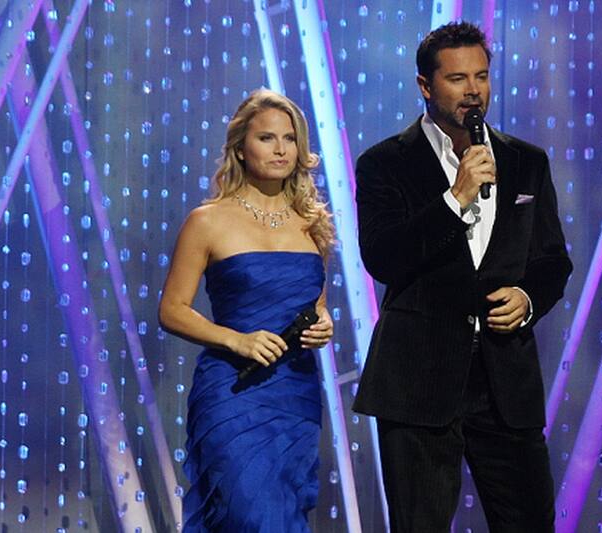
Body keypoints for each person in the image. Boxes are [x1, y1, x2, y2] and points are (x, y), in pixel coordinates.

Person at [353, 22, 573, 532]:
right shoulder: (385, 163)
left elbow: (551, 260)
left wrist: (527, 297)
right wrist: (455, 199)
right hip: (419, 379)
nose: (473, 91)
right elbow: (383, 257)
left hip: (504, 381)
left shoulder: (526, 161)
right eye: (457, 79)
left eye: (481, 76)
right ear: (425, 86)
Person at [158, 89, 335, 532]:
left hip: (295, 393)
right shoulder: (208, 220)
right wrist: (236, 340)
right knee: (246, 513)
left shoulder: (312, 221)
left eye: (289, 139)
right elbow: (172, 309)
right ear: (240, 148)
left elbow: (316, 303)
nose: (280, 149)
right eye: (266, 138)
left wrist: (324, 323)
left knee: (284, 513)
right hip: (233, 391)